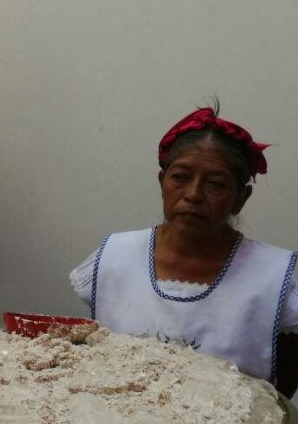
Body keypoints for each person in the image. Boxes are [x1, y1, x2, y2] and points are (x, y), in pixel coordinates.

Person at [70, 106, 297, 396]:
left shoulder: (272, 281)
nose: (192, 194)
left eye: (215, 184)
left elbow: (280, 394)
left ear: (240, 198)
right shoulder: (114, 258)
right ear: (162, 182)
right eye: (180, 177)